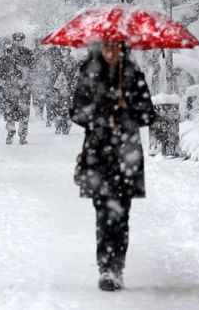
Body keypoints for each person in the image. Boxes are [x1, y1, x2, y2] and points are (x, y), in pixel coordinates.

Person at [70, 41, 156, 291]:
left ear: (123, 49)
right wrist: (99, 113)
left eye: (116, 48)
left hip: (125, 155)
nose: (111, 53)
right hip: (98, 154)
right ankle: (105, 268)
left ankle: (117, 266)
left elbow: (148, 114)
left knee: (121, 215)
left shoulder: (133, 75)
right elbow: (75, 112)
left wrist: (126, 110)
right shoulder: (88, 74)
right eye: (107, 48)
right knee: (103, 215)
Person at [0, 31, 35, 144]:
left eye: (20, 40)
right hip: (10, 88)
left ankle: (22, 135)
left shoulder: (28, 53)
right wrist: (1, 81)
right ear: (13, 40)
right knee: (10, 112)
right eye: (16, 40)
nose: (18, 42)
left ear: (23, 40)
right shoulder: (6, 54)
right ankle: (10, 132)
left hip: (23, 88)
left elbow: (33, 70)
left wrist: (27, 79)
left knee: (24, 112)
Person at [50, 47, 77, 134]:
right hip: (57, 88)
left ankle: (66, 126)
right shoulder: (57, 60)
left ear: (69, 51)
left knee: (67, 108)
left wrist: (72, 84)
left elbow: (76, 75)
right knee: (57, 108)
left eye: (65, 50)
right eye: (62, 50)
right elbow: (52, 74)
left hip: (68, 88)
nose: (63, 52)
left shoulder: (73, 61)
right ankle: (58, 126)